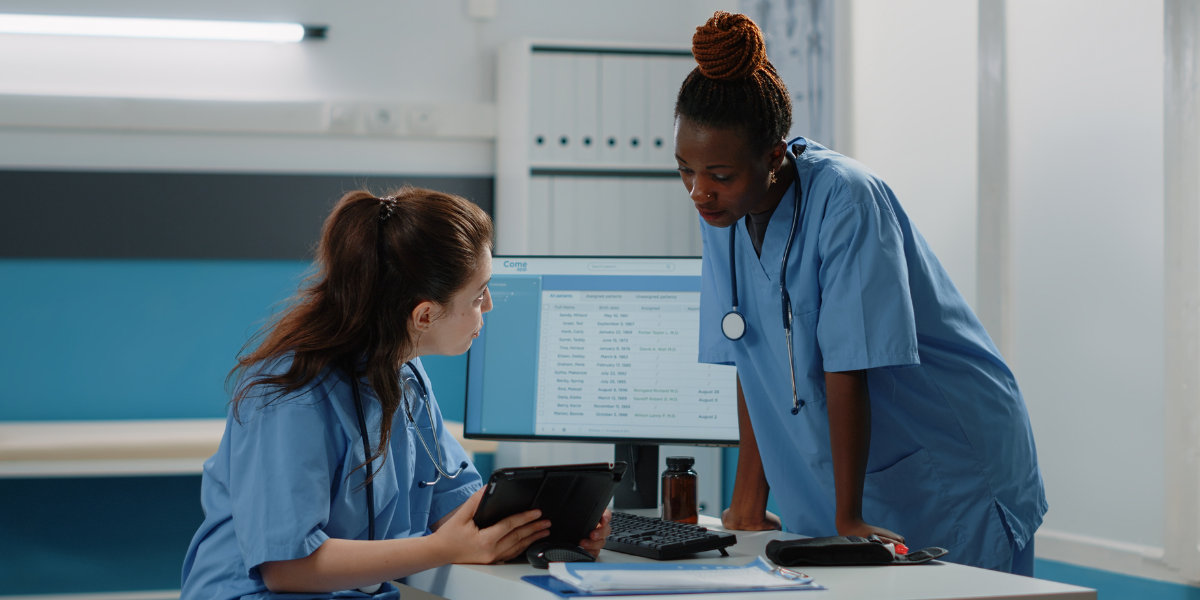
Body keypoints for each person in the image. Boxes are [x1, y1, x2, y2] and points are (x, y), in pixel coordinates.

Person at [677, 12, 1046, 575]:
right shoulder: (723, 207)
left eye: (719, 175)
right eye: (686, 170)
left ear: (773, 157)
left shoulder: (847, 200)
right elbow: (749, 354)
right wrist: (748, 500)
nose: (699, 191)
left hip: (945, 455)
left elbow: (851, 362)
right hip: (847, 469)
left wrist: (848, 516)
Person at [180, 188, 611, 599]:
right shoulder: (292, 395)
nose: (490, 307)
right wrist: (442, 549)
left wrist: (554, 527)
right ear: (424, 314)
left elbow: (460, 510)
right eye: (479, 294)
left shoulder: (403, 373)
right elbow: (287, 568)